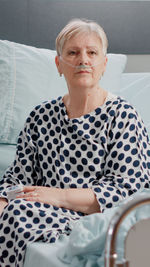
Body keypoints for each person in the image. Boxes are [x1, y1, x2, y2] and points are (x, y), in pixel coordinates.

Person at [0, 18, 150, 267]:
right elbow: (17, 178)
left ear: (104, 64)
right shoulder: (39, 117)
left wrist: (56, 196)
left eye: (92, 52)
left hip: (92, 219)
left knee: (18, 212)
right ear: (59, 64)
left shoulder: (124, 117)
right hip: (38, 212)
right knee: (12, 210)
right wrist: (3, 200)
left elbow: (125, 191)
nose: (83, 59)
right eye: (73, 52)